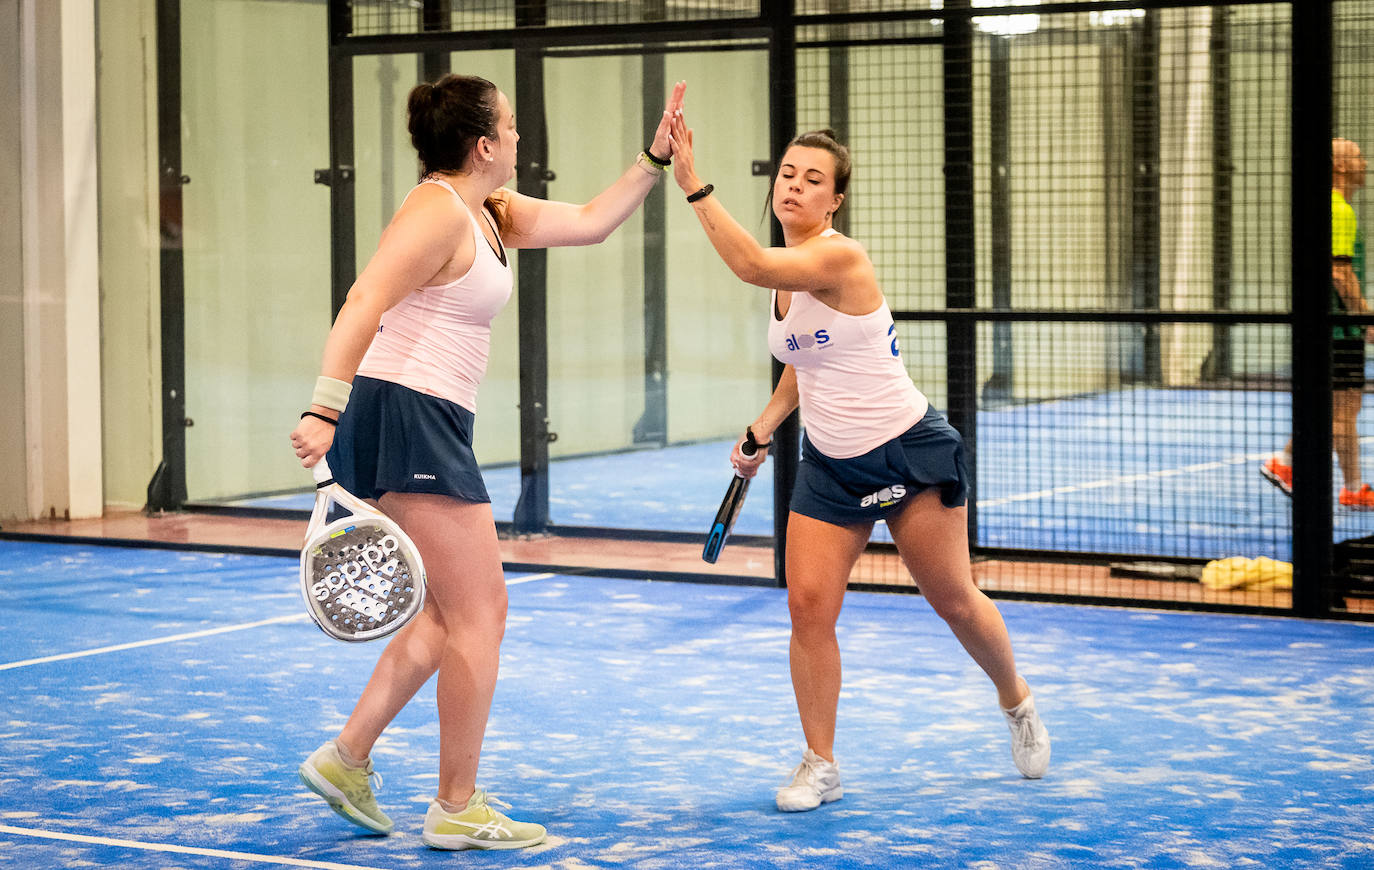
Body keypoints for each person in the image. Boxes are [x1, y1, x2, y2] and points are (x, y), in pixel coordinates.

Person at [289, 74, 685, 849]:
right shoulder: (435, 212)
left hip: (421, 414)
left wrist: (653, 157)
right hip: (409, 412)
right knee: (482, 612)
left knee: (444, 615)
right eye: (509, 124)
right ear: (482, 144)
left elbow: (592, 221)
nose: (517, 136)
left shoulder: (488, 211)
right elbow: (364, 298)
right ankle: (456, 806)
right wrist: (321, 406)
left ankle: (347, 758)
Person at [665, 115, 1051, 812]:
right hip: (831, 466)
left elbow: (751, 264)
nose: (795, 186)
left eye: (814, 180)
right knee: (809, 607)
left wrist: (692, 184)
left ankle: (1016, 701)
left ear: (834, 201)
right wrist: (759, 433)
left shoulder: (840, 260)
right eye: (788, 174)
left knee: (954, 601)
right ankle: (821, 763)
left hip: (908, 449)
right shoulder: (787, 280)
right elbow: (802, 366)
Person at [1262, 137, 1373, 508]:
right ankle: (1297, 467)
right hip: (1338, 329)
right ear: (1340, 166)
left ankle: (1348, 486)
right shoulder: (1338, 209)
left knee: (1336, 408)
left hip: (1329, 327)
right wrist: (1364, 316)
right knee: (1343, 410)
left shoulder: (1326, 206)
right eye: (1357, 156)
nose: (1364, 161)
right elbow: (1340, 272)